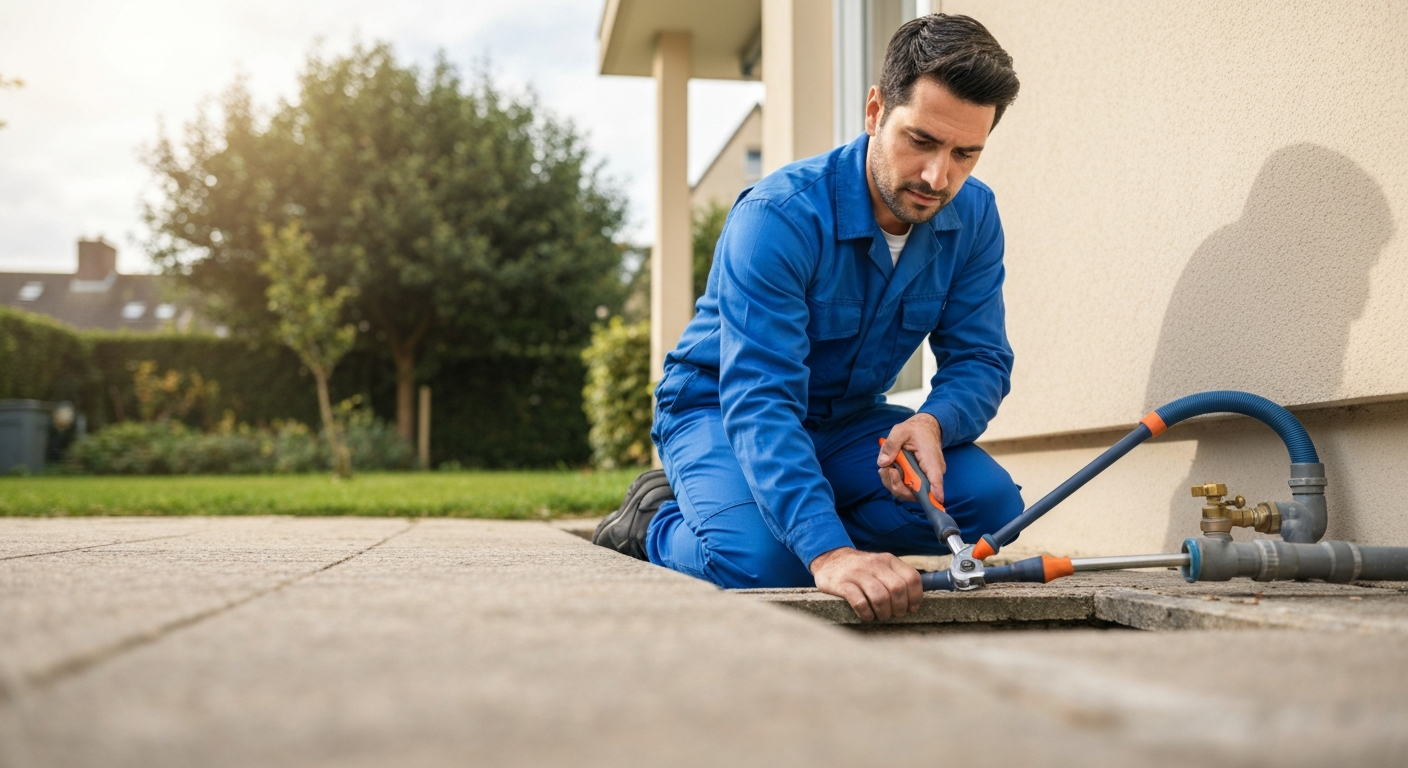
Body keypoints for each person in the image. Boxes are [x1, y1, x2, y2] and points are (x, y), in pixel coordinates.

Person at [595, 14, 1024, 622]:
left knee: (992, 509)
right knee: (773, 568)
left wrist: (933, 420)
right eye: (922, 141)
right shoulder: (779, 217)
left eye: (965, 153)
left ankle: (789, 514)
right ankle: (655, 523)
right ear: (875, 111)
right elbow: (760, 398)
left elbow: (981, 358)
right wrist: (827, 551)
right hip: (721, 409)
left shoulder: (974, 217)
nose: (938, 176)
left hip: (846, 422)